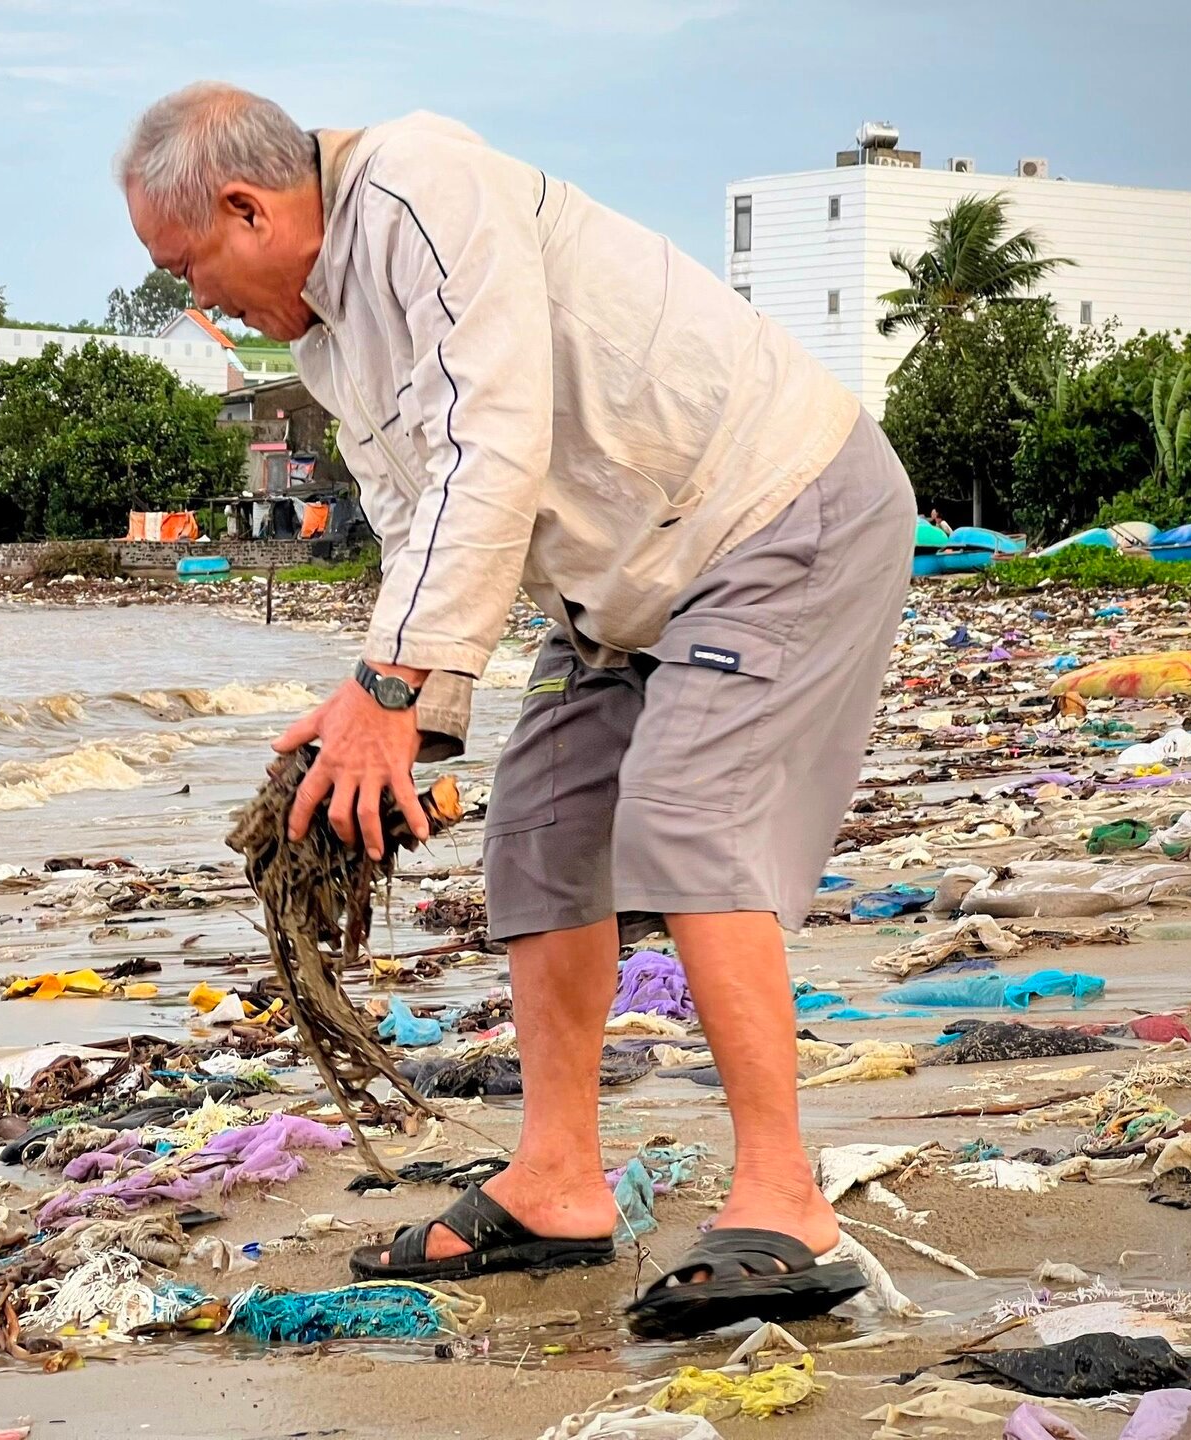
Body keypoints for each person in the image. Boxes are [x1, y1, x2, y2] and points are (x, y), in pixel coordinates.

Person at [117, 83, 914, 1337]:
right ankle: (556, 1181)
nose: (195, 299)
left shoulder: (424, 187)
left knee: (684, 810)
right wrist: (396, 720)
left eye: (189, 265)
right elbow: (418, 516)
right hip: (614, 582)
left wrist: (393, 691)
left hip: (775, 510)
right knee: (538, 838)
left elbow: (495, 442)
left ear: (247, 206)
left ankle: (786, 1200)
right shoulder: (330, 336)